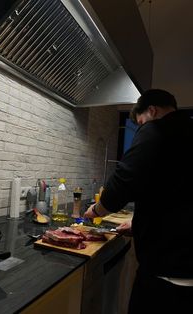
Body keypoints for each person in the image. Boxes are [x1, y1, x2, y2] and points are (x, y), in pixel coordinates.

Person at [84, 89, 193, 314]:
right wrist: (139, 223)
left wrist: (96, 210)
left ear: (152, 111)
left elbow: (124, 181)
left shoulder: (157, 129)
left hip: (167, 276)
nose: (142, 128)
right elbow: (178, 195)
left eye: (141, 122)